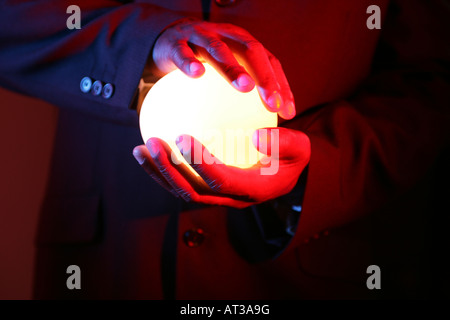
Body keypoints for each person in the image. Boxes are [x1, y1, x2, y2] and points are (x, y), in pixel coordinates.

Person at [0, 0, 448, 299]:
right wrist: (138, 48)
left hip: (312, 271)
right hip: (112, 265)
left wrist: (320, 167)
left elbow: (432, 73)